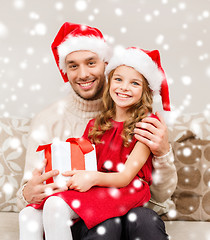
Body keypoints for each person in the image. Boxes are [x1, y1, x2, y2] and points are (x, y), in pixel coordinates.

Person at [17, 22, 177, 240]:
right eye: (73, 65)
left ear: (105, 64)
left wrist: (163, 152)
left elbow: (153, 191)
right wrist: (30, 192)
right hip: (91, 198)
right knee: (34, 213)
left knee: (142, 220)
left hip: (127, 200)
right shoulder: (87, 123)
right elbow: (34, 188)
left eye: (91, 62)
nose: (83, 74)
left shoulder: (146, 124)